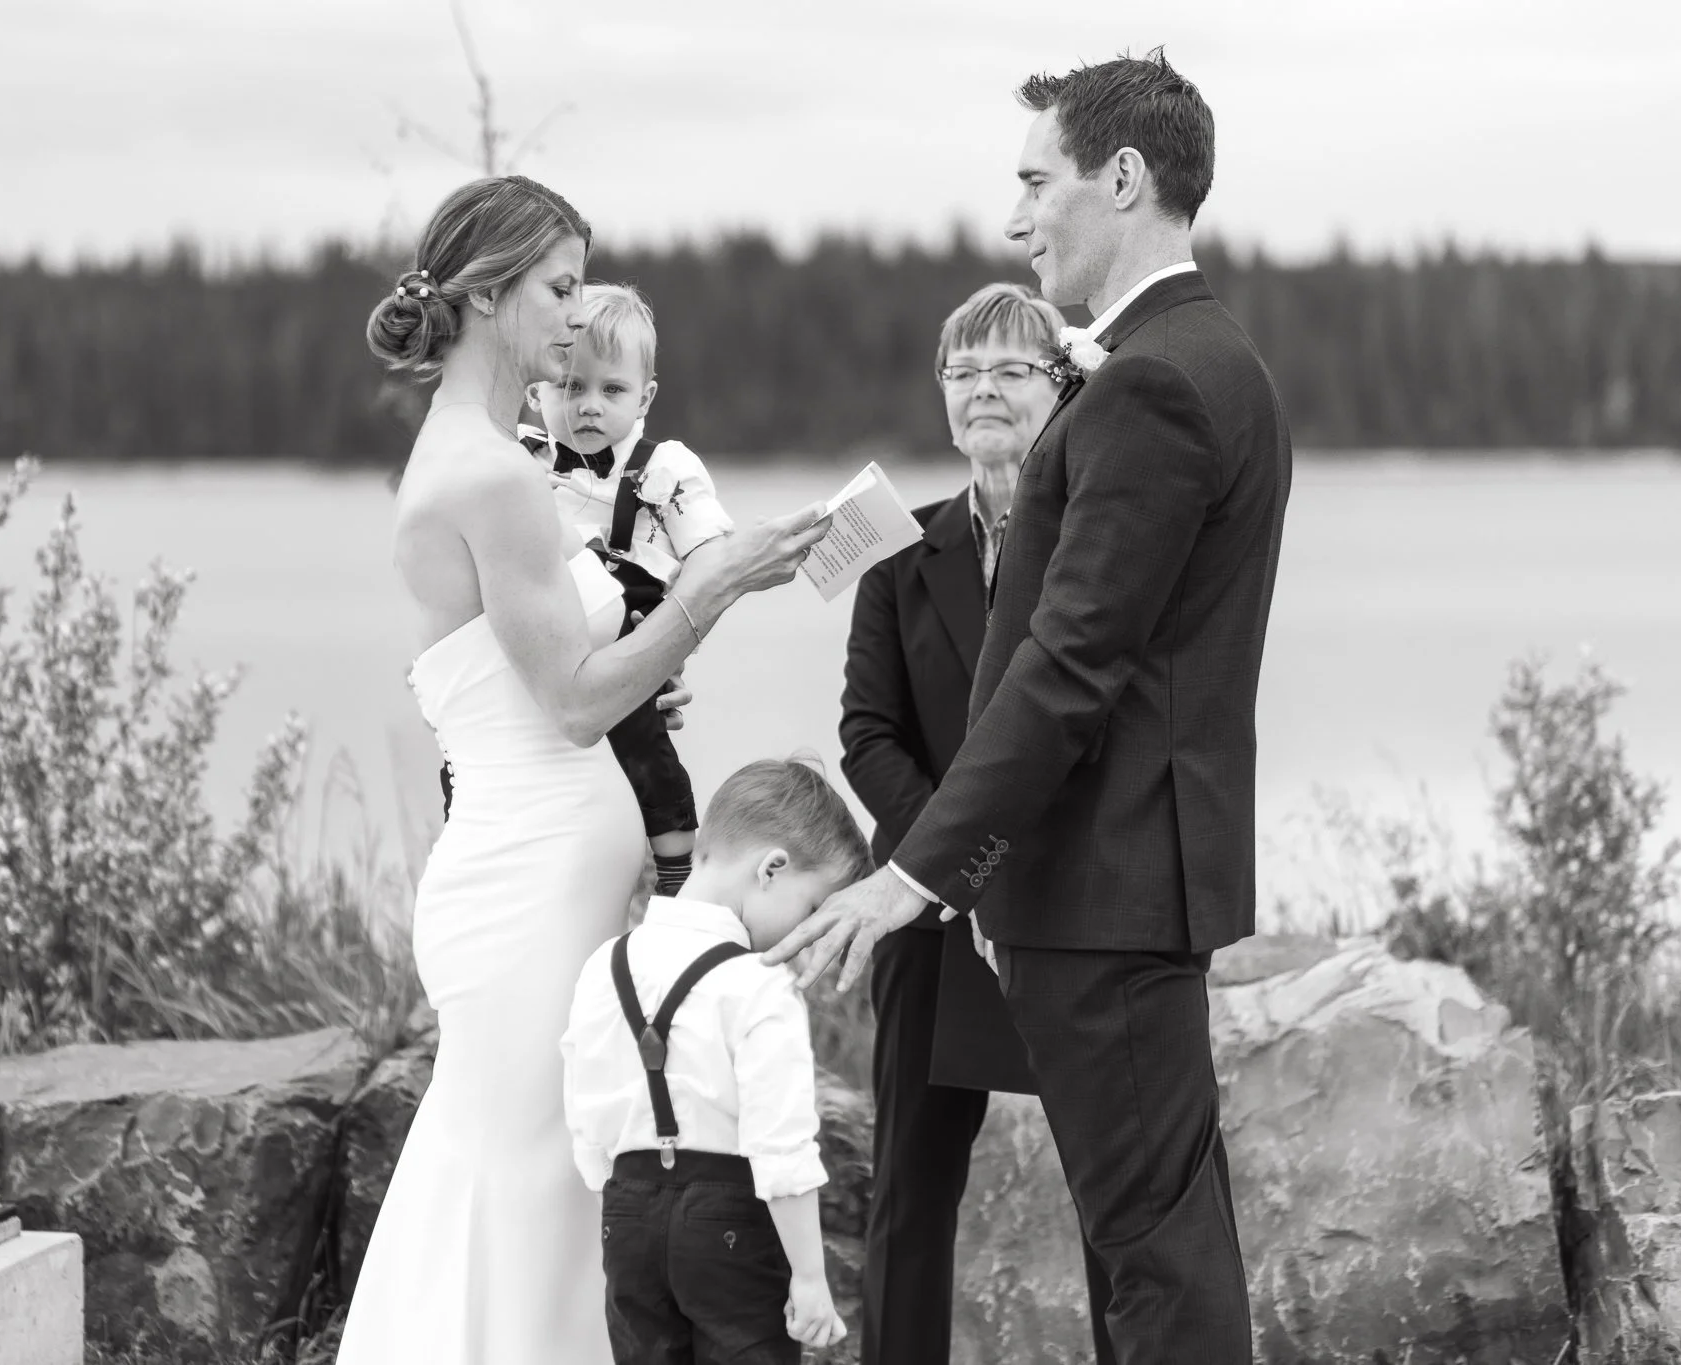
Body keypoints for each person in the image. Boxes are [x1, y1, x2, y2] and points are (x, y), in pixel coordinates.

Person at [772, 52, 1291, 1365]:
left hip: (1102, 892)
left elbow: (1069, 661)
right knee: (1160, 1245)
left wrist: (919, 876)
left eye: (1035, 182)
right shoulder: (1202, 359)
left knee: (1155, 1265)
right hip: (1128, 883)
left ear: (1122, 178)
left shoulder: (1153, 385)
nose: (1017, 220)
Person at [339, 174, 832, 1365]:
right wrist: (709, 593)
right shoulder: (490, 474)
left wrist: (649, 651)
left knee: (545, 1183)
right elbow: (569, 705)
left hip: (550, 878)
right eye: (558, 288)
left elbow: (564, 669)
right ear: (491, 294)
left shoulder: (491, 457)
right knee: (517, 1184)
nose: (575, 314)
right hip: (523, 888)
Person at [837, 280, 1057, 1365]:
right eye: (961, 372)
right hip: (926, 919)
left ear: (1058, 389)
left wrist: (1001, 873)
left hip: (1065, 907)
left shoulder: (1093, 547)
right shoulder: (891, 556)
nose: (981, 391)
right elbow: (867, 736)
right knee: (910, 1194)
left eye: (1009, 370)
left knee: (1118, 1192)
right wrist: (949, 870)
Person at [561, 757, 866, 1363]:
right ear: (772, 869)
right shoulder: (757, 983)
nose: (808, 939)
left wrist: (629, 1197)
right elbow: (782, 1146)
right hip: (729, 1222)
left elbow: (585, 1118)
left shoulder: (606, 964)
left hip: (626, 1216)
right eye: (811, 911)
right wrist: (808, 1278)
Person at [523, 282, 734, 895]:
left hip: (631, 621)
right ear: (536, 389)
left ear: (646, 396)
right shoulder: (520, 460)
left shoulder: (663, 466)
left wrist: (672, 636)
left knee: (643, 739)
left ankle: (674, 859)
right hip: (542, 626)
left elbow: (711, 557)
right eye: (571, 386)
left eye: (611, 390)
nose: (589, 406)